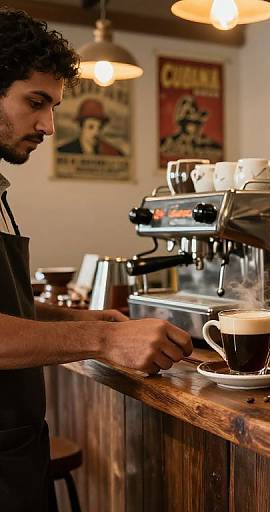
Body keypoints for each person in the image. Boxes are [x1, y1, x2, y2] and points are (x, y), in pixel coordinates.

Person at [0, 8, 192, 511]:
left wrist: (73, 319)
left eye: (55, 106)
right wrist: (102, 339)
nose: (48, 125)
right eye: (35, 102)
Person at [159, 95, 222, 159]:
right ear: (183, 124)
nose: (193, 126)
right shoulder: (168, 142)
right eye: (189, 122)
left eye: (196, 122)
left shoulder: (207, 143)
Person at [58, 98, 124, 156]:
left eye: (99, 128)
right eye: (91, 127)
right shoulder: (64, 151)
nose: (96, 132)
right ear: (81, 127)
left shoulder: (111, 152)